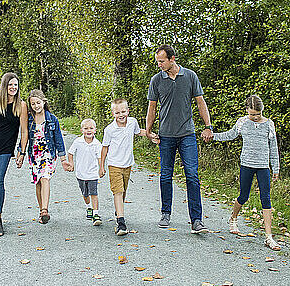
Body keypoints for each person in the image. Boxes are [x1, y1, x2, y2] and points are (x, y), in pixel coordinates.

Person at [146, 44, 212, 233]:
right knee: (165, 175)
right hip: (165, 135)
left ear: (172, 59)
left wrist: (208, 126)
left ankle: (197, 220)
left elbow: (201, 102)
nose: (159, 64)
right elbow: (152, 107)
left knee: (192, 175)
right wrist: (149, 130)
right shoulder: (156, 80)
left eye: (162, 61)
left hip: (187, 135)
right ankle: (166, 213)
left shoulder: (190, 76)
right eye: (157, 61)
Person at [205, 94, 281, 250]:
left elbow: (274, 148)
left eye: (257, 114)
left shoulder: (269, 125)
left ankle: (269, 237)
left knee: (266, 198)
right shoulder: (242, 122)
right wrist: (213, 137)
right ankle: (233, 218)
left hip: (263, 166)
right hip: (246, 164)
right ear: (247, 110)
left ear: (262, 111)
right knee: (243, 196)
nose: (254, 117)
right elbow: (230, 135)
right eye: (251, 114)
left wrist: (276, 168)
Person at [0, 72, 28, 237]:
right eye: (10, 85)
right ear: (4, 86)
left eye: (15, 85)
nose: (13, 88)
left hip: (5, 149)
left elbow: (24, 130)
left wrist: (22, 151)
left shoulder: (21, 105)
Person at [100, 98, 147, 236]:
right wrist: (101, 166)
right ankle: (121, 222)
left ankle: (118, 210)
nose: (121, 115)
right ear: (113, 113)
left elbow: (139, 132)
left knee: (123, 191)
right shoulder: (109, 129)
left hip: (128, 164)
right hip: (114, 164)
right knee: (118, 191)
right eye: (117, 112)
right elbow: (104, 148)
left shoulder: (132, 122)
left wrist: (151, 135)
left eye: (123, 111)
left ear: (128, 110)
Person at [27, 89, 71, 224]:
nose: (36, 106)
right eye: (33, 104)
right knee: (38, 182)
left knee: (45, 178)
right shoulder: (29, 118)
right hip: (34, 154)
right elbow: (24, 136)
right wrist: (20, 152)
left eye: (38, 103)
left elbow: (58, 139)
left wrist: (63, 158)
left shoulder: (52, 119)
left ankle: (45, 209)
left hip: (48, 153)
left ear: (43, 102)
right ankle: (41, 211)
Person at [68, 118, 103, 226]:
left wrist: (101, 168)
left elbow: (100, 157)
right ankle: (89, 207)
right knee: (85, 194)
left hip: (93, 174)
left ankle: (96, 214)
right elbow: (70, 153)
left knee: (94, 193)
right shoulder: (78, 141)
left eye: (91, 128)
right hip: (80, 173)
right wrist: (71, 163)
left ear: (95, 130)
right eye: (86, 128)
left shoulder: (97, 144)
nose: (89, 130)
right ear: (82, 130)